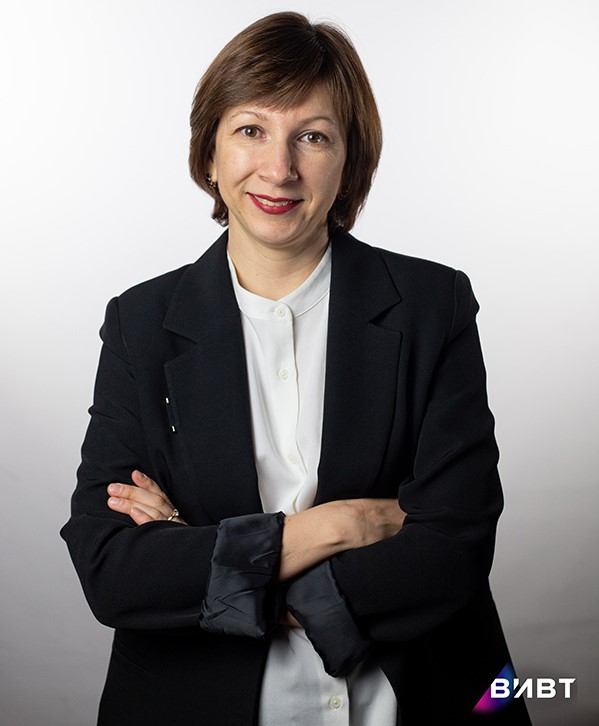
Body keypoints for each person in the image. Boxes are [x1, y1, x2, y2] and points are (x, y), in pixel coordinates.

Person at [61, 11, 531, 726]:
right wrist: (341, 525)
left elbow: (453, 545)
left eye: (312, 136)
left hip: (417, 698)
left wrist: (209, 560)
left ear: (349, 163)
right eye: (251, 130)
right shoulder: (140, 324)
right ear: (209, 154)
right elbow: (113, 571)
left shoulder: (433, 304)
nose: (278, 169)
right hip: (197, 702)